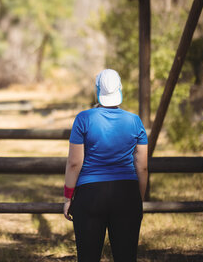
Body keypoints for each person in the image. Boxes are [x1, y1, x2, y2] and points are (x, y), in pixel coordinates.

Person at [63, 69, 148, 262]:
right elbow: (142, 167)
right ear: (120, 90)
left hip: (89, 195)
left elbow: (74, 163)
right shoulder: (135, 121)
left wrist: (68, 197)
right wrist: (138, 198)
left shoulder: (83, 119)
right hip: (126, 194)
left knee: (88, 257)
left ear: (97, 91)